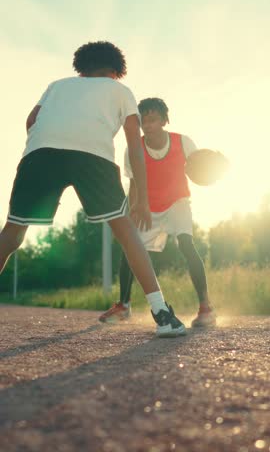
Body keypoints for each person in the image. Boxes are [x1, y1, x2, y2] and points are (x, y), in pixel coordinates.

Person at [0, 42, 186, 338]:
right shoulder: (121, 91)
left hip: (40, 152)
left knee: (12, 234)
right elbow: (135, 146)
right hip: (92, 156)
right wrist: (143, 201)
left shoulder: (57, 85)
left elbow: (31, 121)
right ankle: (162, 314)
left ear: (81, 69)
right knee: (127, 233)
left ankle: (159, 312)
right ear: (115, 71)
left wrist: (46, 145)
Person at [99, 97, 216, 327]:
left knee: (186, 244)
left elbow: (200, 166)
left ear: (164, 120)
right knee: (130, 248)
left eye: (153, 119)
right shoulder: (134, 149)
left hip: (177, 202)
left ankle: (206, 307)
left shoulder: (183, 142)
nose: (148, 124)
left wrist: (212, 169)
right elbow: (133, 184)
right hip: (147, 206)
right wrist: (132, 211)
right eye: (144, 120)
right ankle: (124, 305)